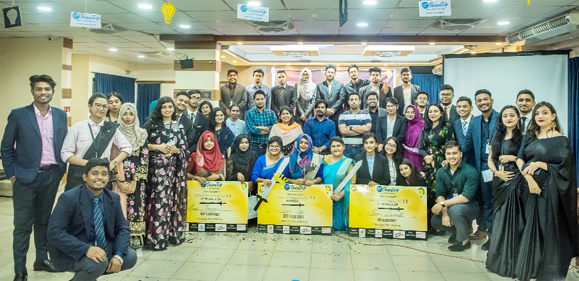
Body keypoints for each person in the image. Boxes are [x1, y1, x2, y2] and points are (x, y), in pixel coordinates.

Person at [1, 74, 68, 281]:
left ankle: (41, 259)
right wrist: (12, 175)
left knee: (44, 222)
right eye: (39, 89)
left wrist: (61, 171)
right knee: (22, 225)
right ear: (32, 92)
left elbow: (62, 143)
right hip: (24, 179)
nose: (43, 92)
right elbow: (6, 148)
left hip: (51, 176)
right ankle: (20, 270)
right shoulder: (19, 115)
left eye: (47, 89)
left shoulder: (59, 115)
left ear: (53, 92)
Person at [514, 102, 578, 281]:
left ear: (553, 116)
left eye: (545, 113)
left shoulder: (561, 139)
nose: (540, 116)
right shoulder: (529, 137)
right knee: (530, 228)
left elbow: (565, 169)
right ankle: (532, 271)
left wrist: (540, 164)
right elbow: (520, 160)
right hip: (528, 189)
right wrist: (530, 179)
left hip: (551, 191)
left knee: (547, 229)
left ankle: (549, 273)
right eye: (537, 113)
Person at [47, 158, 137, 280]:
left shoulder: (112, 198)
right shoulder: (68, 198)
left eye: (104, 174)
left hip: (101, 245)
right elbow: (54, 232)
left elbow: (122, 228)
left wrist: (118, 256)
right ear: (85, 177)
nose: (100, 177)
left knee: (130, 256)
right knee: (98, 264)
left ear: (109, 178)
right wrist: (86, 249)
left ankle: (90, 275)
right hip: (72, 250)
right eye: (94, 173)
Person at [144, 96, 189, 251]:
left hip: (174, 172)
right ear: (159, 109)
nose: (168, 110)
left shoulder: (179, 126)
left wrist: (176, 150)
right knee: (158, 202)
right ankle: (155, 238)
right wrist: (159, 147)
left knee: (171, 202)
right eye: (164, 107)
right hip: (156, 172)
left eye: (170, 107)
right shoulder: (151, 125)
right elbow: (142, 145)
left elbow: (184, 149)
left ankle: (171, 235)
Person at [61, 93, 132, 191]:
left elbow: (127, 148)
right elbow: (66, 153)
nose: (101, 109)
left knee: (99, 203)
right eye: (98, 105)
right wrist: (89, 163)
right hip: (79, 174)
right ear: (89, 106)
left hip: (102, 175)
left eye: (105, 106)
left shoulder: (111, 128)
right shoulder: (78, 127)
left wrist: (113, 163)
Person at [485, 105, 524, 278]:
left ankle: (514, 263)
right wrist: (496, 172)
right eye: (505, 115)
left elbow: (529, 159)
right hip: (500, 180)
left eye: (512, 115)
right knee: (500, 219)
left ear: (518, 118)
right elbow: (490, 159)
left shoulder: (524, 137)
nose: (508, 118)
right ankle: (497, 260)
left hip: (517, 181)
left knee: (515, 221)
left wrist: (514, 158)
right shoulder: (496, 137)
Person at [461, 89, 498, 249]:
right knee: (483, 202)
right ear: (475, 104)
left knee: (493, 203)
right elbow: (467, 145)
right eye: (480, 101)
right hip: (479, 166)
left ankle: (494, 237)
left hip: (497, 167)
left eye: (485, 99)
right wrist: (453, 158)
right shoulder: (475, 121)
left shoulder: (500, 119)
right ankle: (484, 230)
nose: (483, 102)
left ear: (492, 100)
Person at [430, 141, 482, 251]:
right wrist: (444, 213)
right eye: (448, 154)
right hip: (452, 206)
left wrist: (443, 204)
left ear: (461, 154)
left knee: (454, 210)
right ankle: (461, 231)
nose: (451, 156)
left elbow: (465, 197)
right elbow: (440, 194)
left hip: (471, 206)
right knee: (435, 220)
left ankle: (463, 242)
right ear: (445, 155)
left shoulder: (470, 171)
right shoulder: (441, 172)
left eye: (454, 153)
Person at [113, 103, 149, 250]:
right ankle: (120, 237)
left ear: (135, 116)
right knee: (119, 206)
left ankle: (135, 236)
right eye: (125, 114)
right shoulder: (114, 132)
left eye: (131, 114)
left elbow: (144, 157)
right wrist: (118, 179)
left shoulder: (141, 133)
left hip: (137, 178)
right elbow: (112, 157)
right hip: (119, 177)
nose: (128, 118)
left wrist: (135, 181)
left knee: (137, 205)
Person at [419, 103, 455, 234]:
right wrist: (428, 157)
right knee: (428, 193)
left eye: (435, 111)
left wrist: (433, 156)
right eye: (430, 112)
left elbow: (450, 146)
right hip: (427, 165)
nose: (432, 114)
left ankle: (441, 226)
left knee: (440, 192)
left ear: (441, 113)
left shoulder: (447, 127)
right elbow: (420, 148)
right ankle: (429, 224)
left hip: (441, 164)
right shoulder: (425, 129)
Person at [322, 137, 356, 231]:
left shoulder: (349, 163)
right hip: (324, 196)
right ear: (330, 148)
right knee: (320, 221)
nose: (336, 148)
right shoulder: (325, 159)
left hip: (339, 199)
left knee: (339, 226)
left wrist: (339, 195)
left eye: (338, 146)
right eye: (333, 146)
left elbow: (352, 183)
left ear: (343, 147)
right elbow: (318, 175)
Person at [316, 64, 347, 136]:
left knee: (337, 136)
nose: (330, 74)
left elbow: (342, 99)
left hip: (337, 115)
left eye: (332, 72)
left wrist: (332, 110)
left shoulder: (340, 85)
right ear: (325, 73)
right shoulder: (319, 86)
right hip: (323, 116)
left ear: (335, 74)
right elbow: (318, 99)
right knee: (323, 135)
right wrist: (325, 110)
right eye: (328, 72)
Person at [338, 93, 371, 159]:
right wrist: (361, 130)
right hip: (347, 148)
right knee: (347, 168)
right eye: (352, 99)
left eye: (356, 99)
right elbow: (343, 131)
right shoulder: (343, 116)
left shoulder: (366, 115)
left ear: (360, 101)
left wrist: (350, 127)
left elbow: (367, 129)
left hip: (362, 148)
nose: (354, 101)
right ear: (349, 102)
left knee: (361, 169)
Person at [245, 90, 277, 156]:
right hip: (254, 146)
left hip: (268, 146)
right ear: (254, 100)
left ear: (265, 99)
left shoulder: (271, 113)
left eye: (262, 99)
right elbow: (251, 130)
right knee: (254, 166)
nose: (260, 101)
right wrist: (269, 130)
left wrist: (259, 128)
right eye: (257, 99)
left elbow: (275, 128)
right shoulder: (249, 114)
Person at [454, 96, 476, 168]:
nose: (462, 109)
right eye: (459, 107)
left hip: (475, 162)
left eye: (465, 106)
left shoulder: (477, 121)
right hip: (459, 163)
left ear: (471, 108)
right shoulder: (454, 124)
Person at [402, 104, 425, 171]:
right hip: (405, 154)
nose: (410, 114)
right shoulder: (404, 123)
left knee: (417, 173)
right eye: (408, 112)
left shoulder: (422, 124)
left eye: (412, 112)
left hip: (418, 155)